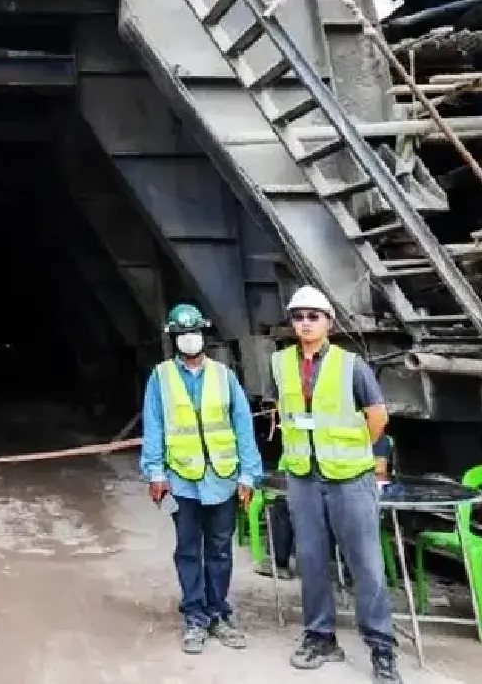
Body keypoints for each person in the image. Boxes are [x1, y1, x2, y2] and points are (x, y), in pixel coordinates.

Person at [273, 285, 402, 683]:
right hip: (304, 478)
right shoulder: (280, 363)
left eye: (314, 316)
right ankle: (320, 637)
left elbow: (377, 416)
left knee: (366, 564)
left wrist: (351, 448)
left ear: (329, 322)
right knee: (311, 561)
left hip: (350, 478)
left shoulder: (351, 365)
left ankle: (382, 648)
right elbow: (282, 409)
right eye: (298, 317)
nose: (305, 323)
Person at [140, 303, 263, 655]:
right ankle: (195, 615)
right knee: (189, 549)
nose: (189, 340)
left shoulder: (225, 376)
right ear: (174, 339)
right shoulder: (160, 377)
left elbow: (243, 427)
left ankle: (219, 613)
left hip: (222, 479)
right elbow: (155, 427)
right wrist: (155, 472)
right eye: (182, 335)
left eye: (194, 333)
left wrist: (249, 474)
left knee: (221, 550)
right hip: (182, 480)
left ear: (204, 337)